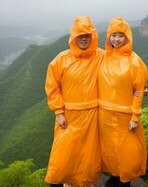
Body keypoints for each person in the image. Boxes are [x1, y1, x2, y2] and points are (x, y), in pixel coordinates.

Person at [44, 16, 105, 187]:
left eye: (87, 35)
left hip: (93, 114)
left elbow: (120, 68)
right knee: (63, 154)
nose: (84, 38)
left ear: (92, 36)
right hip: (69, 116)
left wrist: (140, 86)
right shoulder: (61, 59)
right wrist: (58, 111)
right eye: (80, 35)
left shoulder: (101, 56)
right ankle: (60, 182)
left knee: (88, 156)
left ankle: (83, 183)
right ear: (73, 37)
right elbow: (52, 87)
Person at [98, 17, 148, 187]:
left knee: (126, 150)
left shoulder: (135, 61)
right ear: (108, 37)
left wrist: (135, 116)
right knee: (111, 149)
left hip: (125, 115)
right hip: (105, 113)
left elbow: (139, 90)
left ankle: (124, 180)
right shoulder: (103, 57)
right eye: (113, 35)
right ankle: (115, 175)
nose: (116, 39)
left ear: (127, 37)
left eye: (121, 35)